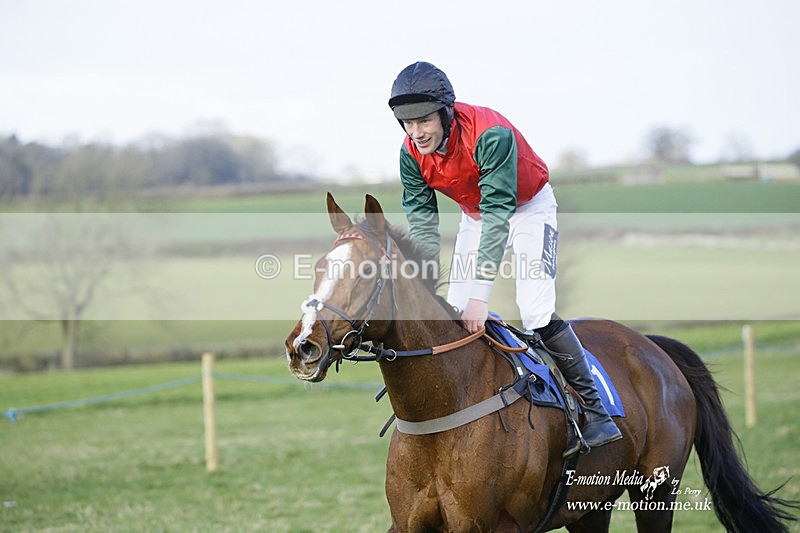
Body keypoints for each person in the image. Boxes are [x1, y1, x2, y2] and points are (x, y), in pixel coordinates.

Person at [388, 61, 621, 452]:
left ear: (446, 111)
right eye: (407, 123)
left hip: (528, 208)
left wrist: (481, 295)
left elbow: (500, 215)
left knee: (535, 312)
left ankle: (596, 412)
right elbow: (424, 226)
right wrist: (423, 283)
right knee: (454, 312)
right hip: (477, 215)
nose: (416, 132)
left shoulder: (490, 135)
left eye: (424, 120)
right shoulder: (410, 153)